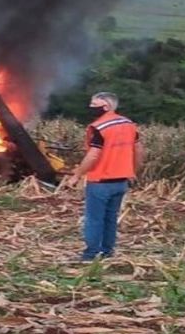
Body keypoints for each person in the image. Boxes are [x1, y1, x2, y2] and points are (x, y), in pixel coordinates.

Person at [58, 92, 145, 262]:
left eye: (94, 105)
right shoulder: (129, 124)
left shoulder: (100, 127)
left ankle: (90, 255)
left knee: (94, 219)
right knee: (110, 218)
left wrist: (77, 175)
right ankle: (107, 251)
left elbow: (92, 156)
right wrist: (133, 171)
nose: (91, 108)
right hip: (121, 181)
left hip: (100, 181)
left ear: (106, 106)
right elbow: (139, 150)